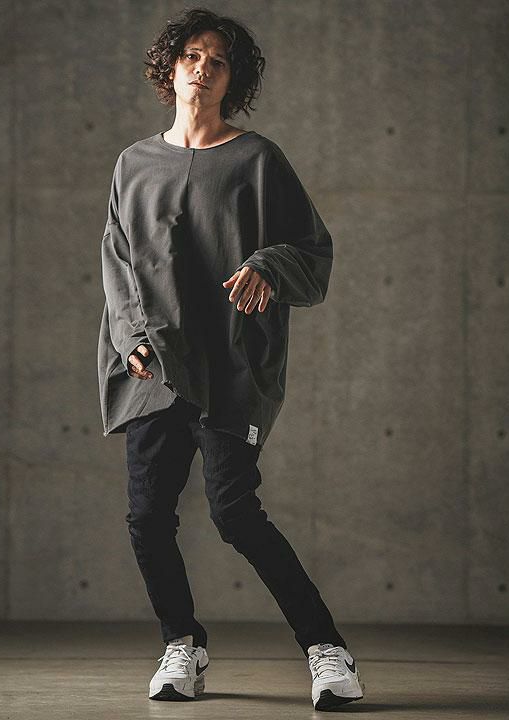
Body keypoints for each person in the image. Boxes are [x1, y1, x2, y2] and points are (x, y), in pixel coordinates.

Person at [96, 6, 364, 712]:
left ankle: (326, 651)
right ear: (171, 66)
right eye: (192, 55)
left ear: (232, 79)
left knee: (234, 512)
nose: (203, 69)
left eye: (218, 61)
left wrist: (268, 266)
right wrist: (131, 339)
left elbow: (313, 253)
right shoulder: (133, 163)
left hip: (232, 367)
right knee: (146, 518)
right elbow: (118, 263)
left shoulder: (258, 160)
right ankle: (181, 643)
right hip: (155, 368)